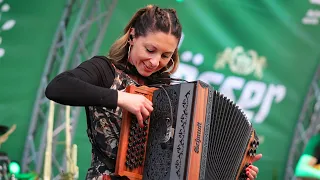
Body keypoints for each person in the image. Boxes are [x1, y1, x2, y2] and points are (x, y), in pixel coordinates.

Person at [45, 5, 262, 180]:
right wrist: (121, 98)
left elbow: (185, 160)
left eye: (166, 55)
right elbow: (57, 87)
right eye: (150, 50)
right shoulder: (105, 71)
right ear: (132, 36)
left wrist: (237, 172)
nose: (155, 61)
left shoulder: (168, 89)